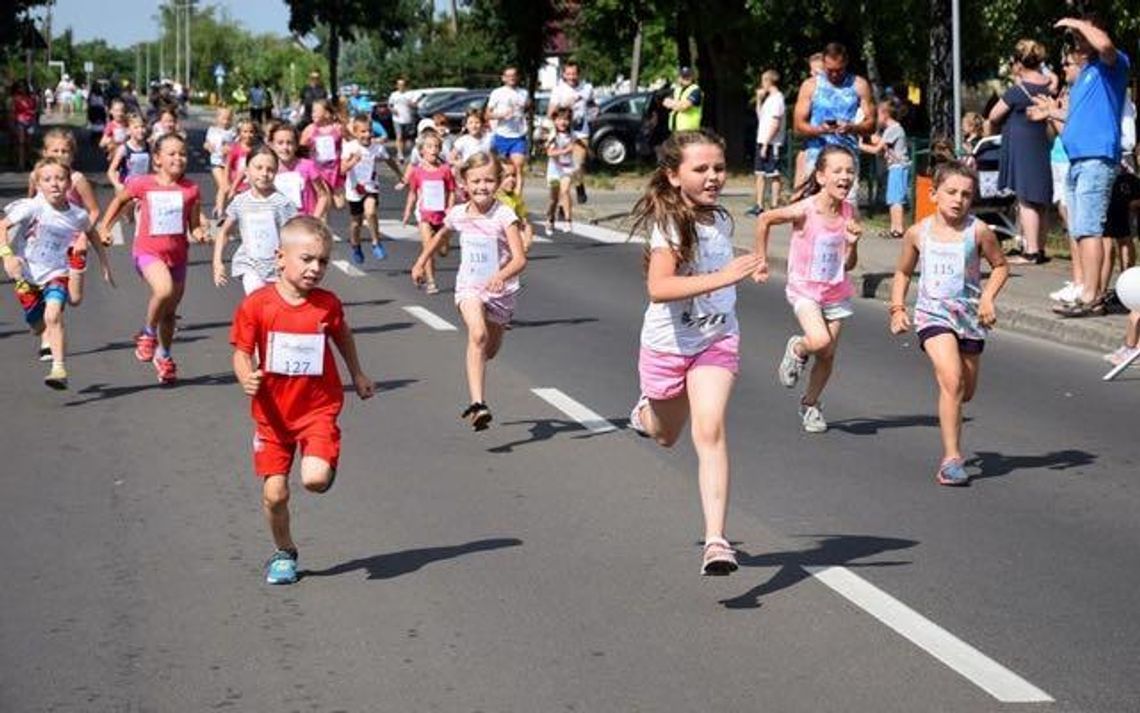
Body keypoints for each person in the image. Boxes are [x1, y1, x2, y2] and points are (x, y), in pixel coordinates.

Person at [627, 130, 763, 576]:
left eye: (719, 168)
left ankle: (717, 542)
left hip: (716, 339)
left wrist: (748, 267)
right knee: (665, 436)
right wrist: (725, 277)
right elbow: (660, 288)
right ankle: (644, 414)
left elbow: (718, 266)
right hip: (668, 345)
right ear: (673, 175)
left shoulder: (721, 219)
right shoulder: (668, 226)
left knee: (710, 429)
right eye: (701, 169)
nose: (713, 177)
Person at [230, 215, 375, 585]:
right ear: (281, 257)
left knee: (313, 480)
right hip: (272, 415)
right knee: (275, 494)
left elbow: (342, 337)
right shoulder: (258, 305)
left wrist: (357, 373)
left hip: (317, 408)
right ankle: (284, 551)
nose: (315, 268)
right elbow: (241, 352)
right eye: (307, 259)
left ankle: (324, 462)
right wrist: (246, 376)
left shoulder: (327, 305)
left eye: (323, 261)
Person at [889, 161, 1009, 486]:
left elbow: (1000, 266)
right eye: (951, 192)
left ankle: (950, 401)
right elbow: (902, 271)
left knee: (965, 392)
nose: (958, 199)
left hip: (969, 318)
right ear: (934, 194)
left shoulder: (979, 231)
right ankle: (952, 458)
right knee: (952, 381)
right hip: (933, 316)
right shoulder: (918, 232)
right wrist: (898, 307)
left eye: (966, 194)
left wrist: (987, 298)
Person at [411, 152, 527, 431]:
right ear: (464, 183)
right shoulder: (459, 214)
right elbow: (441, 234)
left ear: (498, 182)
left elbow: (520, 258)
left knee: (490, 350)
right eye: (475, 181)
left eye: (489, 180)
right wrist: (420, 262)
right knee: (477, 334)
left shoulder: (504, 215)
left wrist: (501, 275)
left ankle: (477, 369)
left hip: (500, 291)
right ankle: (478, 403)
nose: (482, 186)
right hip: (469, 287)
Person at [755, 145, 862, 433]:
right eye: (837, 171)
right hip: (805, 290)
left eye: (850, 171)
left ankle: (810, 404)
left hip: (836, 292)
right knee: (819, 341)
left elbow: (849, 264)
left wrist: (852, 244)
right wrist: (761, 260)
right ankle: (798, 347)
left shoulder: (849, 211)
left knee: (827, 356)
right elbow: (765, 219)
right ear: (821, 176)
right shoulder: (806, 209)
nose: (845, 177)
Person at [1033, 16, 1131, 317]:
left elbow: (1104, 44)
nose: (1076, 43)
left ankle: (1092, 295)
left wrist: (1077, 22)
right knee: (1080, 230)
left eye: (1080, 38)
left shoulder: (1111, 65)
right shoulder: (1084, 77)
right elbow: (1073, 128)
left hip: (1096, 159)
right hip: (1078, 160)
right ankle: (1088, 291)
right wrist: (1053, 113)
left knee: (1089, 229)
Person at [99, 134, 205, 384]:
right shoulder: (142, 183)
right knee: (163, 289)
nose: (178, 158)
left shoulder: (191, 189)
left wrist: (200, 233)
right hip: (148, 252)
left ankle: (164, 356)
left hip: (177, 257)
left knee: (169, 314)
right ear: (157, 159)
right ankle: (147, 334)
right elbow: (119, 200)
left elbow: (195, 224)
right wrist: (105, 227)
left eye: (182, 153)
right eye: (172, 153)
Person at [1, 158, 114, 388]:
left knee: (53, 315)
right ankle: (42, 330)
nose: (54, 184)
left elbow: (91, 233)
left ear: (69, 183)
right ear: (39, 184)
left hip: (57, 272)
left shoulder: (77, 215)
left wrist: (104, 264)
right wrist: (7, 255)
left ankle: (59, 369)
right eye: (47, 179)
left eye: (60, 179)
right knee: (37, 325)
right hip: (27, 273)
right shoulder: (32, 207)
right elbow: (2, 226)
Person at [987, 39, 1054, 265]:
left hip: (1022, 145)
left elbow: (994, 115)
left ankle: (1031, 250)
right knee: (1041, 198)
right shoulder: (1049, 85)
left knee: (1026, 198)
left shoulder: (1017, 91)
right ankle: (1040, 248)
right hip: (1042, 142)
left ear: (1018, 63)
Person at [214, 147, 298, 294]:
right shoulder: (240, 202)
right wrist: (217, 262)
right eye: (258, 168)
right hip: (250, 265)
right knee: (255, 299)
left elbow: (294, 236)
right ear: (247, 171)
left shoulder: (282, 203)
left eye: (270, 169)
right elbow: (224, 232)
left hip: (277, 268)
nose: (264, 173)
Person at [792, 43, 874, 187]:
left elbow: (871, 124)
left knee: (845, 208)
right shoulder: (810, 86)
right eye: (830, 70)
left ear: (846, 63)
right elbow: (798, 127)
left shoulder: (859, 85)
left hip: (847, 160)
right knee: (816, 208)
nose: (835, 74)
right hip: (817, 158)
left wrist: (851, 128)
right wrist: (820, 130)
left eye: (839, 70)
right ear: (823, 63)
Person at [403, 132, 457, 294]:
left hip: (442, 215)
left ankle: (445, 244)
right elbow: (412, 193)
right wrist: (407, 213)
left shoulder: (445, 170)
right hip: (425, 215)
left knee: (442, 251)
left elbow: (452, 191)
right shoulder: (417, 172)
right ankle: (431, 282)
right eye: (429, 147)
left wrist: (450, 208)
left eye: (436, 147)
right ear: (422, 151)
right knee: (428, 248)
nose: (433, 150)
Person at [341, 113, 389, 264]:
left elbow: (389, 160)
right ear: (355, 133)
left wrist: (401, 175)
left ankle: (376, 242)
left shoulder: (377, 148)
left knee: (371, 212)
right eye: (363, 131)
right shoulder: (350, 147)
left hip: (371, 187)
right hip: (354, 190)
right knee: (356, 223)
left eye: (369, 131)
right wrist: (353, 161)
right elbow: (342, 169)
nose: (367, 134)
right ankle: (356, 245)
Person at [547, 60, 596, 204]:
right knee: (565, 168)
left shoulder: (587, 87)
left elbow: (592, 104)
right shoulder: (558, 89)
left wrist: (595, 111)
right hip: (564, 132)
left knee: (578, 164)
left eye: (574, 74)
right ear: (564, 74)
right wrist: (564, 105)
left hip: (581, 130)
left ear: (578, 74)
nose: (571, 77)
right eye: (568, 74)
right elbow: (550, 113)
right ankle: (564, 204)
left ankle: (579, 185)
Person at [861, 99, 910, 238]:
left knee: (896, 200)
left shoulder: (894, 129)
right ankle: (894, 227)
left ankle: (898, 229)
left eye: (878, 115)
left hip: (899, 167)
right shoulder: (891, 130)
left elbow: (877, 150)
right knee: (892, 199)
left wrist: (860, 145)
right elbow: (883, 146)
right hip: (894, 167)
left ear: (885, 114)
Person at [267, 121, 330, 218]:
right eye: (280, 143)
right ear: (272, 145)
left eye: (289, 143)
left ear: (296, 145)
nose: (285, 147)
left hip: (304, 223)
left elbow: (323, 195)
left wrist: (315, 218)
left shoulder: (308, 166)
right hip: (280, 223)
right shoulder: (269, 169)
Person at [486, 66, 531, 192]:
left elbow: (528, 109)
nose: (511, 78)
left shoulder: (523, 93)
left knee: (518, 167)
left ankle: (517, 201)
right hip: (501, 135)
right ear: (503, 78)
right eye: (508, 75)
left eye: (514, 75)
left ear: (518, 77)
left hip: (518, 136)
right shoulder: (497, 93)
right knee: (499, 169)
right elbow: (487, 115)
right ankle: (499, 196)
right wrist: (500, 115)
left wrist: (526, 118)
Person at [748, 69, 786, 216]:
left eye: (763, 80)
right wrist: (758, 99)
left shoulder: (778, 99)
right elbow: (761, 117)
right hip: (762, 140)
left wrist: (766, 144)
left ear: (769, 81)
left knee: (773, 174)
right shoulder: (769, 99)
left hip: (771, 143)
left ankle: (775, 205)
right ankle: (759, 205)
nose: (761, 84)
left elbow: (775, 124)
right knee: (760, 173)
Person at [299, 99, 343, 216]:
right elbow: (300, 149)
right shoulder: (310, 129)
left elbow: (351, 143)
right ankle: (321, 229)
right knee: (324, 204)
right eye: (312, 112)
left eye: (316, 111)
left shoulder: (338, 128)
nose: (312, 114)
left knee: (340, 204)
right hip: (318, 171)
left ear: (327, 114)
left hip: (335, 171)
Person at [544, 107, 576, 235]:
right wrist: (565, 151)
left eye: (566, 120)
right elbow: (550, 153)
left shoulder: (572, 135)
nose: (563, 122)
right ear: (555, 121)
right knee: (553, 199)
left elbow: (577, 148)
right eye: (560, 119)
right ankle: (550, 218)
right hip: (554, 170)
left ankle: (568, 221)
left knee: (565, 191)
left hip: (567, 168)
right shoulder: (553, 135)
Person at [204, 107, 236, 216]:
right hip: (216, 163)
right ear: (217, 118)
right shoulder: (212, 130)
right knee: (225, 187)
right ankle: (221, 210)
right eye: (223, 119)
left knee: (223, 188)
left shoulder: (232, 132)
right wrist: (208, 146)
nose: (225, 122)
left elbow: (236, 146)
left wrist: (230, 149)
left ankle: (218, 208)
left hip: (228, 163)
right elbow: (206, 143)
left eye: (228, 119)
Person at [496, 161, 534, 253]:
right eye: (506, 176)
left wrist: (527, 240)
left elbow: (525, 222)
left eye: (513, 175)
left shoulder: (516, 198)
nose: (512, 179)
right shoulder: (492, 198)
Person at [663, 66, 702, 134]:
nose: (686, 79)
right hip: (675, 129)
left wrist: (673, 104)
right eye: (683, 76)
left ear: (692, 77)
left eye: (688, 76)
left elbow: (684, 107)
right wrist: (679, 104)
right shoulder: (677, 90)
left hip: (689, 130)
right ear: (679, 78)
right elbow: (665, 102)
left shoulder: (695, 90)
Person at [10, 80, 39, 171]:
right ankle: (21, 163)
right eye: (19, 87)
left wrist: (35, 116)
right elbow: (12, 111)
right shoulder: (15, 99)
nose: (21, 89)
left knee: (29, 143)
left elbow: (36, 109)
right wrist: (12, 123)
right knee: (21, 143)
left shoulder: (32, 98)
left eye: (23, 87)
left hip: (31, 121)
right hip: (20, 121)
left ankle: (28, 160)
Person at [388, 77, 418, 163]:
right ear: (397, 86)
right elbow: (390, 105)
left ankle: (409, 154)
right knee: (399, 136)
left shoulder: (410, 94)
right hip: (397, 119)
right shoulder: (394, 94)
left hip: (408, 119)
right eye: (399, 85)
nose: (401, 86)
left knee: (409, 138)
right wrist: (393, 110)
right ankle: (400, 154)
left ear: (405, 86)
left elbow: (416, 105)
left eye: (403, 85)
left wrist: (411, 104)